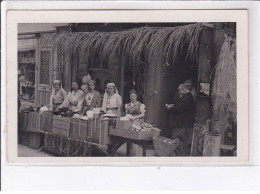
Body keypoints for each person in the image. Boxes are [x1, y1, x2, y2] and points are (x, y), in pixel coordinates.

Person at [165, 84, 195, 156]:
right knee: (180, 139)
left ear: (184, 90)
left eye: (179, 90)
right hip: (182, 122)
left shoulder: (186, 97)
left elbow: (179, 108)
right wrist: (173, 105)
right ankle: (180, 154)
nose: (178, 92)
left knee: (176, 138)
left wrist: (170, 107)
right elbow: (181, 106)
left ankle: (180, 155)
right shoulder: (188, 96)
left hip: (180, 122)